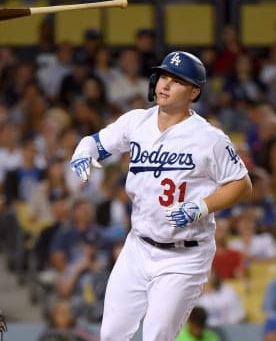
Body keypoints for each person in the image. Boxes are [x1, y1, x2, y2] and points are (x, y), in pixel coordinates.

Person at [70, 51, 252, 341]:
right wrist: (84, 151)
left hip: (185, 256)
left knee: (156, 337)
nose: (165, 85)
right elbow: (96, 143)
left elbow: (242, 185)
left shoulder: (210, 138)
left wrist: (201, 207)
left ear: (194, 91)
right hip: (138, 247)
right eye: (164, 76)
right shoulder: (136, 122)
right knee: (111, 334)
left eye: (177, 80)